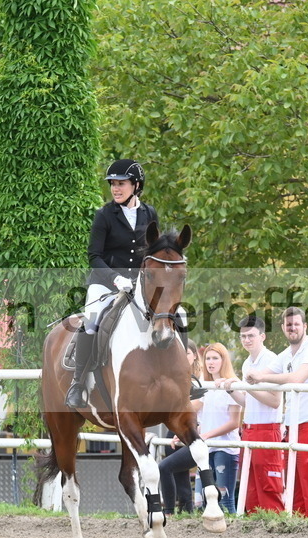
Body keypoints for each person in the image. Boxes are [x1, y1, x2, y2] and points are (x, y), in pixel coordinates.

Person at [66, 159, 160, 409]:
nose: (115, 189)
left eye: (121, 184)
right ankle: (77, 383)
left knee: (172, 315)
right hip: (105, 284)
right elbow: (94, 256)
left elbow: (154, 251)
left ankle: (183, 377)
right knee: (91, 321)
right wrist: (115, 279)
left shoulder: (150, 214)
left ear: (136, 185)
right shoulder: (104, 215)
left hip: (138, 285)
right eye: (113, 184)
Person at [246, 306, 308, 518]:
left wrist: (259, 377)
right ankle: (300, 534)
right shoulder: (286, 355)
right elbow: (261, 373)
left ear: (305, 326)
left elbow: (296, 378)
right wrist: (238, 379)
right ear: (283, 328)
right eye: (288, 325)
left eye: (296, 324)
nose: (292, 328)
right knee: (295, 490)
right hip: (293, 427)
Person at [159, 343, 243, 515]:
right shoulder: (207, 386)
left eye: (215, 358)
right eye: (208, 359)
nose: (210, 362)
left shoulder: (232, 384)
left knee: (225, 499)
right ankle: (171, 512)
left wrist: (206, 435)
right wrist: (182, 433)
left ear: (224, 360)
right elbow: (196, 413)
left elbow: (234, 423)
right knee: (206, 499)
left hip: (225, 448)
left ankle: (232, 530)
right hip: (206, 447)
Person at [216, 316, 283, 513]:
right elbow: (248, 401)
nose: (246, 340)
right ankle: (254, 525)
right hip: (249, 429)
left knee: (269, 486)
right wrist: (231, 389)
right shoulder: (247, 363)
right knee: (250, 485)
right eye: (243, 336)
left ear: (262, 336)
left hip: (268, 429)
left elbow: (275, 401)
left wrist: (245, 386)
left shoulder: (272, 360)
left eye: (251, 335)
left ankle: (274, 524)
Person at [160, 340, 202, 514]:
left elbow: (195, 405)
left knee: (166, 467)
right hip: (174, 430)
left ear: (195, 356)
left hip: (191, 430)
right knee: (180, 475)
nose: (183, 357)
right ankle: (185, 512)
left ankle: (169, 511)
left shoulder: (200, 379)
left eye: (187, 353)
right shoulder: (174, 377)